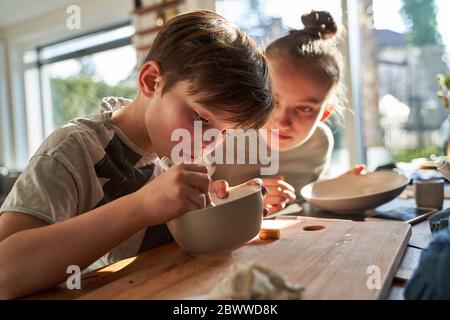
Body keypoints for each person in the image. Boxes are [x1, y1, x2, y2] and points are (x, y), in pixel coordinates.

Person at [0, 10, 274, 299]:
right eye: (200, 117)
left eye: (224, 133)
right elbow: (5, 274)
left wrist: (218, 207)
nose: (209, 142)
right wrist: (142, 206)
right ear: (151, 80)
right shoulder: (72, 149)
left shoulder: (175, 154)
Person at [213, 11, 365, 215]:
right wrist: (238, 198)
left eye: (304, 108)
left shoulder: (319, 142)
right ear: (255, 91)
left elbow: (302, 196)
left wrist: (337, 186)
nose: (283, 122)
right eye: (273, 100)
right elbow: (182, 198)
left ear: (325, 113)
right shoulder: (222, 133)